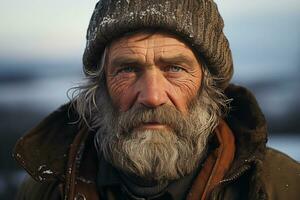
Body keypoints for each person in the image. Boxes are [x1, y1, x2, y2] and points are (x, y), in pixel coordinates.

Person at [13, 0, 300, 199]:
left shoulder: (281, 186)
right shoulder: (46, 188)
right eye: (127, 69)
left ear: (209, 86)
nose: (152, 96)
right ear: (99, 86)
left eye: (174, 68)